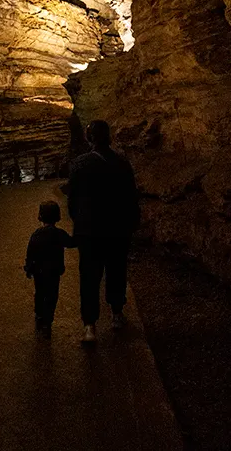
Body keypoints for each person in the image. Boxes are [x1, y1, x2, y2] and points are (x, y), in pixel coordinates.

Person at [63, 120, 139, 343]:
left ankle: (89, 326)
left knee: (89, 276)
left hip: (89, 230)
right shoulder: (122, 163)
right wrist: (132, 222)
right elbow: (130, 197)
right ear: (109, 137)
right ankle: (116, 314)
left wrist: (79, 221)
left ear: (89, 138)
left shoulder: (79, 164)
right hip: (117, 228)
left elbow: (72, 198)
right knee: (116, 270)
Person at [24, 200, 76, 338]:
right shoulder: (59, 234)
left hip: (39, 271)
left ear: (40, 216)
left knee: (40, 292)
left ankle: (39, 314)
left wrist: (28, 268)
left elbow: (30, 252)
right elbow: (71, 243)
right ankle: (48, 321)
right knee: (52, 295)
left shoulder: (36, 234)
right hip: (53, 271)